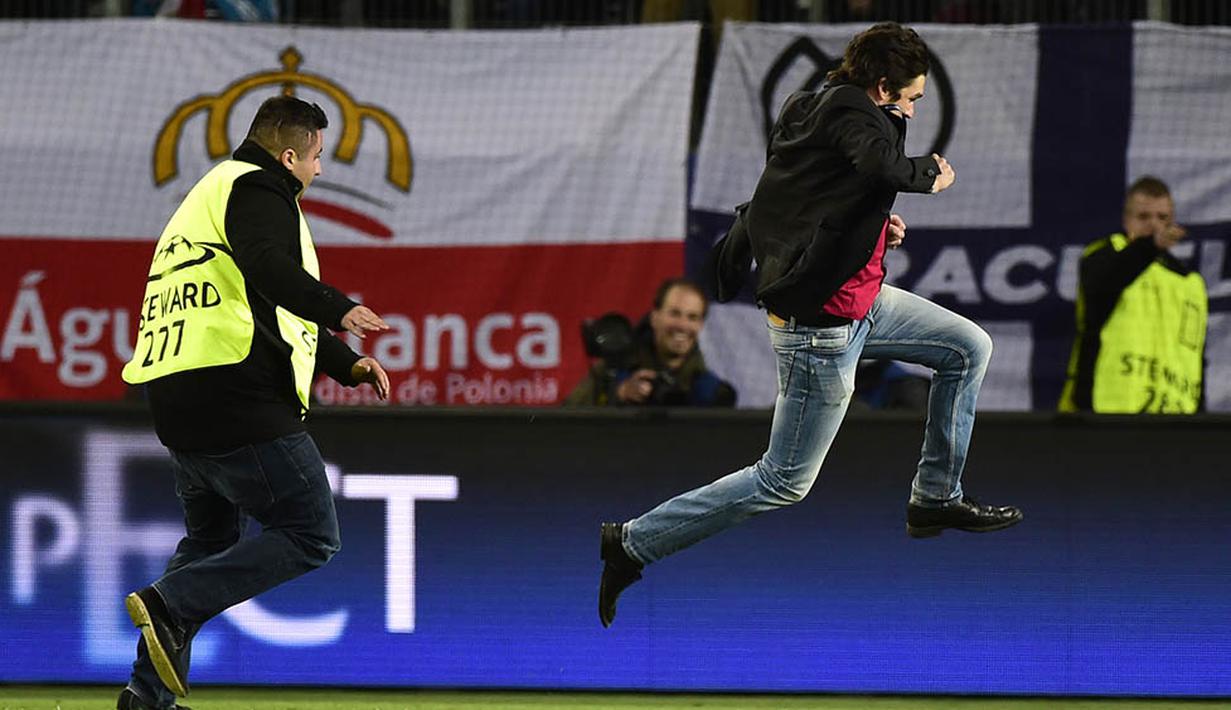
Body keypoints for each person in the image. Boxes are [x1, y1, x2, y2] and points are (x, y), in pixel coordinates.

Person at [598, 22, 1023, 628]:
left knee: (968, 347)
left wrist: (875, 230)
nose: (913, 109)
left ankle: (935, 497)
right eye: (911, 97)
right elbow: (878, 165)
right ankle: (633, 543)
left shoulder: (812, 108)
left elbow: (807, 198)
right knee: (782, 482)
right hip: (818, 335)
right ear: (883, 87)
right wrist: (929, 174)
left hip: (864, 305)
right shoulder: (853, 113)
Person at [117, 95, 391, 710]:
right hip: (236, 399)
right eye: (316, 157)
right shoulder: (259, 188)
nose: (319, 169)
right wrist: (339, 307)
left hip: (178, 401)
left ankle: (147, 698)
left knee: (209, 545)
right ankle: (170, 602)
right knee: (311, 532)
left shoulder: (211, 194)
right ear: (288, 156)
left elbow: (268, 303)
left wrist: (344, 362)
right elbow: (270, 269)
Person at [1059, 176, 1207, 413]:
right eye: (1144, 217)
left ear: (1172, 221)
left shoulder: (1190, 282)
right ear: (1126, 219)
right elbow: (1108, 282)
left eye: (1162, 218)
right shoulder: (1104, 255)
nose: (1154, 225)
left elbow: (1197, 357)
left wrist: (1199, 419)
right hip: (1105, 410)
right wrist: (1150, 246)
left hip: (1174, 414)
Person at [564, 278, 736, 407]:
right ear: (655, 317)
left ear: (700, 325)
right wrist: (618, 394)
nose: (682, 325)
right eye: (674, 314)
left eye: (692, 317)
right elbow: (568, 418)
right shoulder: (614, 368)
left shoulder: (708, 388)